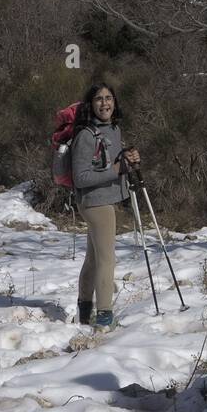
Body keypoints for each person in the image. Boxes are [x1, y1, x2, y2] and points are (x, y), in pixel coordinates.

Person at [70, 82, 140, 332]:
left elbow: (113, 161)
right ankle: (104, 317)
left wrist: (128, 159)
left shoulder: (113, 129)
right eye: (99, 99)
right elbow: (81, 178)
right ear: (91, 104)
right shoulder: (85, 136)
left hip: (105, 200)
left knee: (93, 259)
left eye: (109, 98)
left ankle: (85, 313)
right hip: (95, 203)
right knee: (106, 261)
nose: (105, 103)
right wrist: (115, 170)